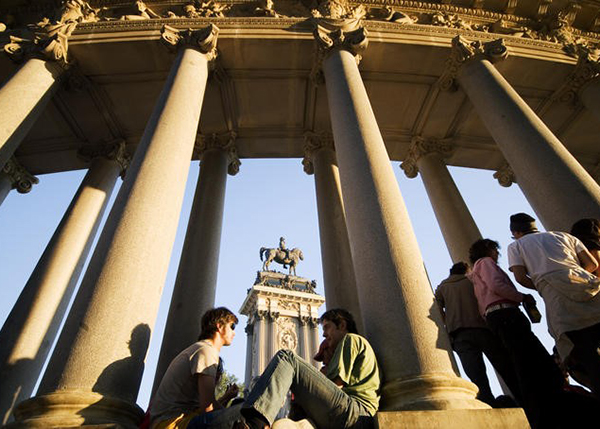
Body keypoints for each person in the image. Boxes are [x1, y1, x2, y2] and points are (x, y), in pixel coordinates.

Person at [468, 239, 564, 428]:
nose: (497, 254)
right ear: (488, 250)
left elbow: (482, 302)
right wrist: (522, 296)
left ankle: (536, 406)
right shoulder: (486, 264)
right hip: (506, 313)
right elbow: (496, 285)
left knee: (521, 360)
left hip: (495, 316)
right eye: (495, 250)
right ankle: (549, 401)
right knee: (530, 358)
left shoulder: (475, 272)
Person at [507, 213, 600, 398]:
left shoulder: (516, 246)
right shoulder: (563, 236)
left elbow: (519, 277)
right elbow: (592, 263)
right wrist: (574, 276)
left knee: (589, 357)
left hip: (560, 303)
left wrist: (543, 285)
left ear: (516, 232)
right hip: (589, 289)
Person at [239, 308, 380, 429]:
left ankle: (255, 424)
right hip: (353, 417)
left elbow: (335, 384)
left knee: (287, 357)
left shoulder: (351, 339)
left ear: (342, 325)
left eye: (327, 327)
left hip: (355, 413)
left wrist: (314, 381)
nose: (323, 334)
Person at [435, 262, 521, 406]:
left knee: (476, 376)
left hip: (459, 334)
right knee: (505, 368)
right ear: (467, 271)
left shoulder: (442, 287)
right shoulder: (473, 280)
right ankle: (522, 400)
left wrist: (449, 321)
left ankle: (488, 404)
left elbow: (436, 311)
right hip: (483, 329)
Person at [150, 307, 242, 429]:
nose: (234, 332)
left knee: (240, 408)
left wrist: (227, 400)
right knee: (244, 412)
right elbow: (207, 408)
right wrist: (235, 415)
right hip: (172, 424)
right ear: (219, 326)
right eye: (232, 327)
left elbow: (205, 405)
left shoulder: (201, 348)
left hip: (170, 421)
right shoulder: (207, 351)